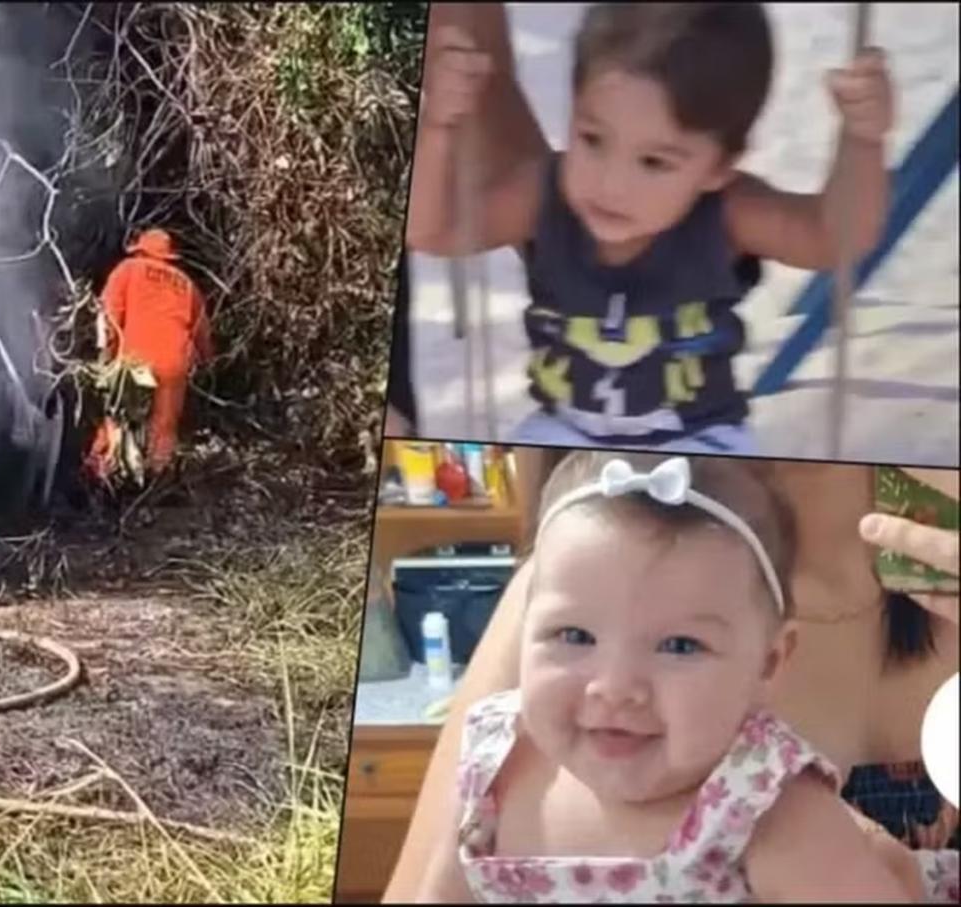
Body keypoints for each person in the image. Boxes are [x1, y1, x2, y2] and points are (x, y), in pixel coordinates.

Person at [385, 451, 960, 903]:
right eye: (574, 636)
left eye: (681, 646)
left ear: (770, 659)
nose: (612, 686)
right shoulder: (499, 758)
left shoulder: (763, 802)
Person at [407, 4, 893, 455]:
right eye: (592, 139)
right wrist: (438, 127)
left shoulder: (726, 213)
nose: (611, 184)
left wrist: (862, 141)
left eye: (654, 162)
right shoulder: (544, 194)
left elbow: (835, 238)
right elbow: (433, 231)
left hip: (700, 439)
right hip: (562, 427)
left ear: (720, 166)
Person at [97, 227, 214, 477]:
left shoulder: (128, 270)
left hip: (135, 359)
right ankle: (155, 482)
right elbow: (203, 335)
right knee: (163, 429)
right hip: (174, 362)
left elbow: (109, 319)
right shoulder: (188, 285)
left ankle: (105, 478)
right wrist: (206, 362)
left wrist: (106, 359)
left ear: (140, 250)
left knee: (119, 421)